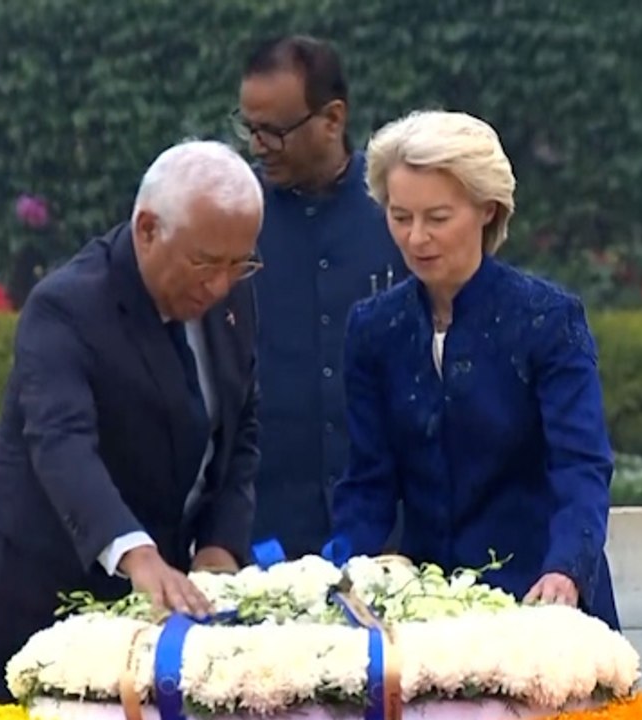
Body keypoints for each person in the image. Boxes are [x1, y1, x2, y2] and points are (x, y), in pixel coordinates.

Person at [0, 139, 264, 702]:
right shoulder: (67, 306)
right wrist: (136, 553)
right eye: (205, 263)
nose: (220, 285)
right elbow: (61, 442)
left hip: (156, 596)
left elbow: (241, 428)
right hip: (34, 581)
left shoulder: (231, 296)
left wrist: (220, 545)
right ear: (147, 229)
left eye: (240, 264)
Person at [329, 110, 620, 630]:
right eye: (400, 216)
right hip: (424, 614)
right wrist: (342, 575)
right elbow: (368, 481)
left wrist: (566, 569)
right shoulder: (374, 328)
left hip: (542, 601)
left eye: (438, 218)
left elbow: (581, 465)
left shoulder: (548, 319)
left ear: (487, 210)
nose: (417, 238)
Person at [233, 36, 407, 559]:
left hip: (390, 533)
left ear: (332, 119)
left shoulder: (398, 213)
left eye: (274, 131)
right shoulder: (232, 219)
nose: (257, 146)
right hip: (262, 532)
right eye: (249, 128)